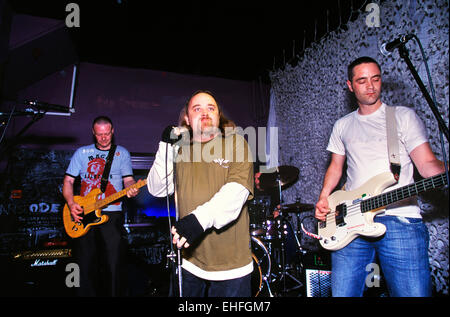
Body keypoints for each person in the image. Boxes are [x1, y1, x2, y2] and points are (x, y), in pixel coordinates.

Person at [315, 56, 446, 297]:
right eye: (362, 81)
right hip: (350, 220)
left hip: (399, 218)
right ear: (350, 85)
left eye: (375, 79)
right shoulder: (342, 125)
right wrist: (324, 197)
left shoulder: (402, 117)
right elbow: (335, 167)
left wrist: (444, 169)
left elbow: (427, 166)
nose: (370, 86)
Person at [147, 90, 254, 297]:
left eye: (210, 108)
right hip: (188, 262)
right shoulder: (179, 149)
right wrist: (165, 148)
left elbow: (237, 190)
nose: (205, 113)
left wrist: (198, 220)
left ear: (218, 115)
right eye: (197, 109)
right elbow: (157, 188)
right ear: (187, 118)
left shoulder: (235, 143)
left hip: (230, 267)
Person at [62, 115, 139, 296]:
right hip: (83, 213)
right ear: (93, 133)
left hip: (111, 215)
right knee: (84, 265)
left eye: (107, 134)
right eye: (99, 134)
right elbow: (67, 181)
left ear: (113, 131)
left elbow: (128, 180)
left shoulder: (122, 153)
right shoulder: (81, 153)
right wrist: (71, 203)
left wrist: (131, 188)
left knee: (113, 265)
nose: (104, 138)